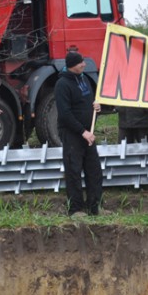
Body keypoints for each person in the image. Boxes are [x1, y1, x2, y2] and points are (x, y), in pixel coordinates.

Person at [55, 50, 103, 217]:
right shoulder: (62, 85)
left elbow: (89, 102)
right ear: (71, 66)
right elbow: (65, 114)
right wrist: (83, 132)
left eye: (83, 61)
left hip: (87, 134)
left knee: (94, 170)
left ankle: (94, 207)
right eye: (79, 62)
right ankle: (75, 209)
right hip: (73, 134)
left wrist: (96, 106)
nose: (83, 64)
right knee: (73, 171)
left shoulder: (84, 79)